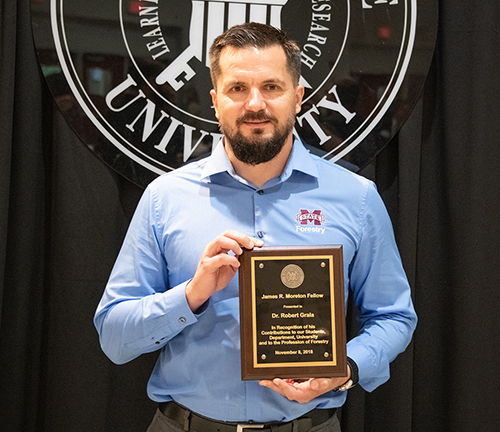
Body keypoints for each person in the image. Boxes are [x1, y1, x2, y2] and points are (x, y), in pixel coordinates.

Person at [94, 23, 417, 432]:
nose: (255, 104)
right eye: (237, 89)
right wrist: (192, 295)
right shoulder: (165, 198)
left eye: (271, 87)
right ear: (214, 100)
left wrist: (346, 368)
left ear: (297, 98)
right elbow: (114, 337)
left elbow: (393, 317)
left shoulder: (356, 198)